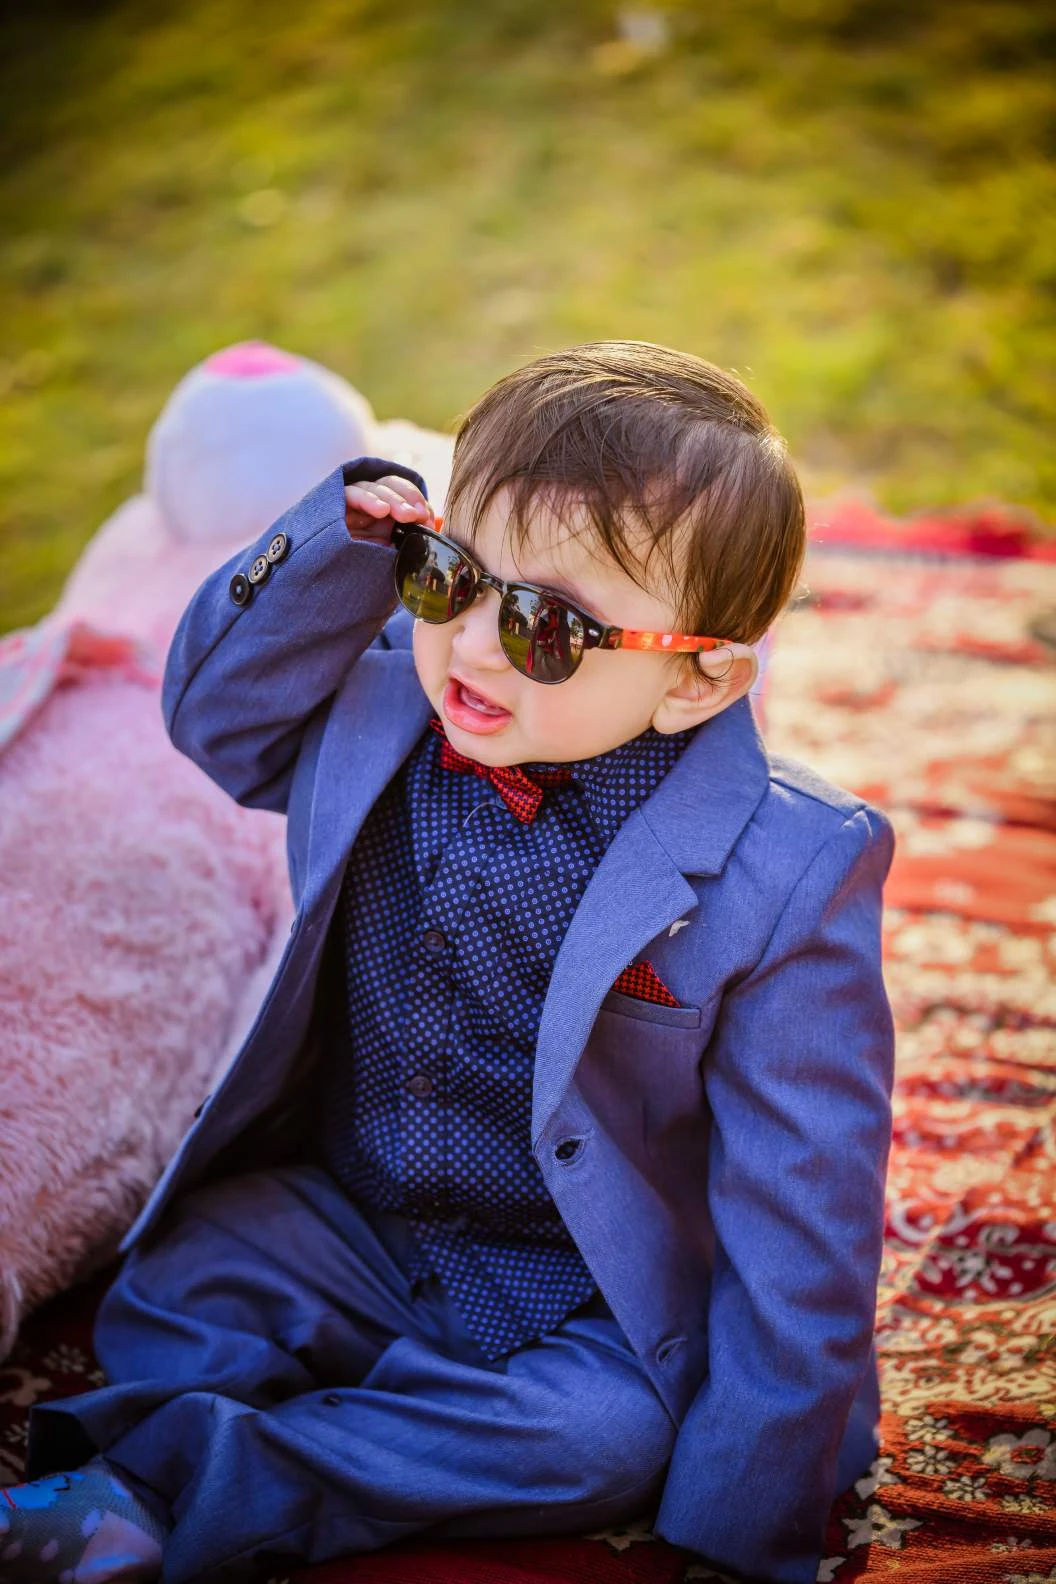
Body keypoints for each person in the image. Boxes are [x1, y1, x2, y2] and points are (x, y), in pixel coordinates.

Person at [3, 341, 895, 1584]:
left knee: (606, 1441)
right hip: (357, 1219)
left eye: (547, 626)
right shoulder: (378, 698)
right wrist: (335, 549)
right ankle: (348, 1432)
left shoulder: (791, 870)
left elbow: (805, 1214)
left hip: (585, 1290)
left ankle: (189, 1483)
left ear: (699, 680)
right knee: (180, 1282)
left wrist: (749, 1522)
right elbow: (214, 721)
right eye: (452, 576)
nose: (473, 646)